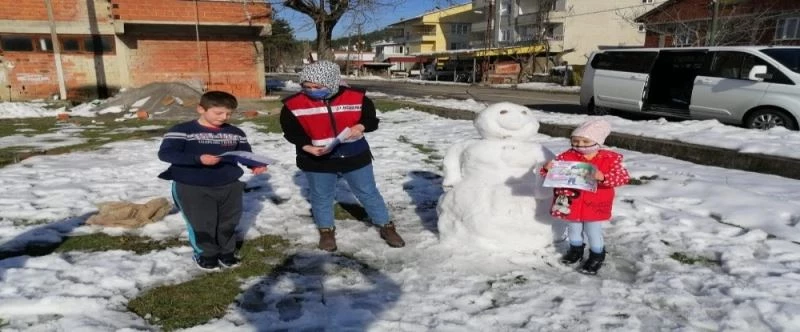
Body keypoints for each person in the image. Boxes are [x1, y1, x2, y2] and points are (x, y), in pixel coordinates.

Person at [279, 60, 405, 252]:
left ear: (331, 82)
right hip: (318, 159)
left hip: (354, 155)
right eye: (307, 86)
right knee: (321, 196)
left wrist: (360, 127)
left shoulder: (357, 98)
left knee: (368, 192)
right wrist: (307, 147)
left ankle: (386, 226)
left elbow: (371, 120)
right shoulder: (293, 105)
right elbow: (291, 132)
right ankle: (326, 231)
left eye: (317, 86)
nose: (312, 91)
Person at [157, 91, 267, 270]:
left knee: (228, 221)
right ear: (201, 109)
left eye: (228, 114)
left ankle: (227, 252)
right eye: (218, 113)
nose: (224, 117)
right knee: (202, 222)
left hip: (229, 184)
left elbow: (244, 154)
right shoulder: (181, 130)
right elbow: (166, 154)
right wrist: (198, 159)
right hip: (192, 186)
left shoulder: (235, 132)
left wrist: (254, 165)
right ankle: (206, 254)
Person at [541, 118, 629, 275]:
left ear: (597, 141)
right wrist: (547, 169)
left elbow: (622, 178)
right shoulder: (566, 156)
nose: (579, 145)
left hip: (595, 203)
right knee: (573, 228)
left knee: (593, 230)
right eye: (575, 141)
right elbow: (551, 174)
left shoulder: (610, 159)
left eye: (585, 141)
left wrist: (603, 177)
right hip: (571, 201)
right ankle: (575, 250)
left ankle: (597, 255)